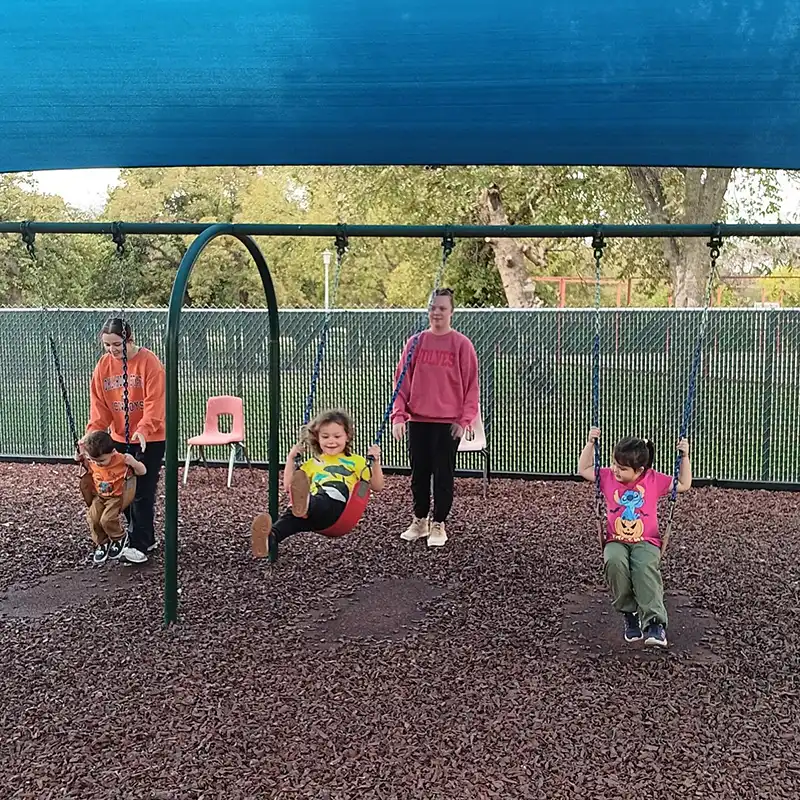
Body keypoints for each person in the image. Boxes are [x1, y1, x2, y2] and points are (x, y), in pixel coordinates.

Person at [578, 428, 692, 648]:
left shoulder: (653, 480)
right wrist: (590, 443)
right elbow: (583, 469)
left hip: (646, 540)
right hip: (616, 539)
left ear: (639, 470)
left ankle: (654, 624)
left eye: (622, 468)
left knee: (644, 569)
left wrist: (685, 457)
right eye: (614, 464)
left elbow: (684, 484)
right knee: (613, 563)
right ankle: (630, 613)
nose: (615, 471)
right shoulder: (608, 477)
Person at [391, 287, 480, 548]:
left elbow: (471, 386)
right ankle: (420, 520)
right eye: (432, 307)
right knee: (419, 475)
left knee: (443, 475)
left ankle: (439, 523)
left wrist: (464, 420)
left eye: (442, 308)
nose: (436, 312)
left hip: (447, 423)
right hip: (418, 420)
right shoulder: (415, 343)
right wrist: (399, 415)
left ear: (451, 311)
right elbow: (401, 382)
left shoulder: (461, 345)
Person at [81, 317, 166, 565]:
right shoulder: (103, 367)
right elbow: (99, 409)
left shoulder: (149, 363)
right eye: (107, 345)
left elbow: (154, 402)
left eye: (116, 345)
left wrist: (144, 429)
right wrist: (90, 436)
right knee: (120, 490)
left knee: (142, 489)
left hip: (151, 437)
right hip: (118, 436)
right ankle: (141, 535)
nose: (112, 350)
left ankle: (141, 542)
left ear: (129, 339)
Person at [251, 409, 385, 558]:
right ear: (318, 438)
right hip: (312, 515)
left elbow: (377, 486)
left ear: (347, 437)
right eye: (325, 436)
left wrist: (376, 462)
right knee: (290, 517)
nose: (331, 441)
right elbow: (288, 486)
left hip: (337, 512)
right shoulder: (311, 464)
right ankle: (269, 539)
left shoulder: (356, 461)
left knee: (334, 488)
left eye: (337, 436)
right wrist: (290, 459)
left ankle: (307, 504)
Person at [78, 430, 147, 565]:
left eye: (102, 460)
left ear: (113, 452)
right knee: (93, 518)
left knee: (107, 519)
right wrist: (80, 449)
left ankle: (120, 537)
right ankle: (102, 543)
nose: (98, 464)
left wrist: (133, 462)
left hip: (117, 497)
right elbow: (78, 458)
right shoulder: (92, 460)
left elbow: (142, 471)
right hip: (99, 496)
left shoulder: (122, 459)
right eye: (95, 461)